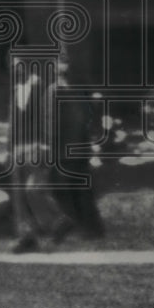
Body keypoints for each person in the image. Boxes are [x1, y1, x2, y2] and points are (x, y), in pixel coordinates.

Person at [8, 58, 77, 254]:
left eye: (20, 66)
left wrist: (45, 145)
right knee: (20, 195)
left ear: (30, 67)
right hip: (18, 146)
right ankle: (27, 236)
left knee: (33, 190)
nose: (16, 71)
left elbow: (49, 119)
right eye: (13, 67)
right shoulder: (16, 90)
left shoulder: (43, 90)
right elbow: (14, 121)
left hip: (35, 146)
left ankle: (56, 222)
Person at [49, 56, 105, 239]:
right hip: (75, 148)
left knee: (69, 190)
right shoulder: (74, 92)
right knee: (78, 190)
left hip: (69, 150)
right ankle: (89, 227)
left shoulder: (62, 93)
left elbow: (71, 123)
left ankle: (85, 226)